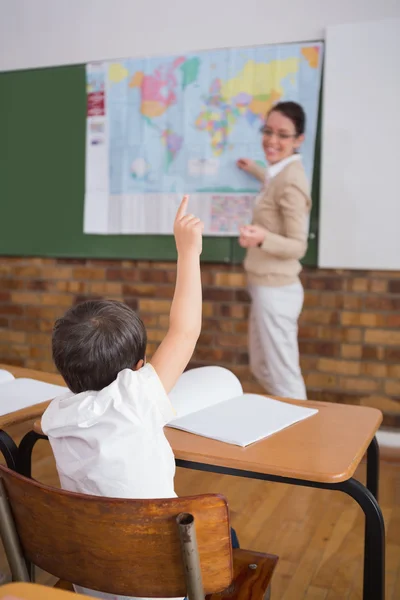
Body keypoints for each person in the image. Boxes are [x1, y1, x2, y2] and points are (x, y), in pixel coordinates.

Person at [42, 196, 238, 600]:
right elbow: (185, 331)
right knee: (227, 537)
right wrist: (189, 251)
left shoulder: (54, 416)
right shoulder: (134, 397)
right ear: (139, 368)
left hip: (91, 579)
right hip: (160, 584)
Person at [237, 101, 311, 400]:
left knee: (284, 378)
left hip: (277, 290)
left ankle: (302, 442)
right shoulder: (276, 172)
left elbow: (298, 245)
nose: (272, 140)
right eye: (267, 131)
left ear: (298, 140)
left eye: (283, 135)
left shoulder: (291, 180)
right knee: (262, 367)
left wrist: (262, 237)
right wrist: (255, 170)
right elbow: (272, 185)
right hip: (263, 286)